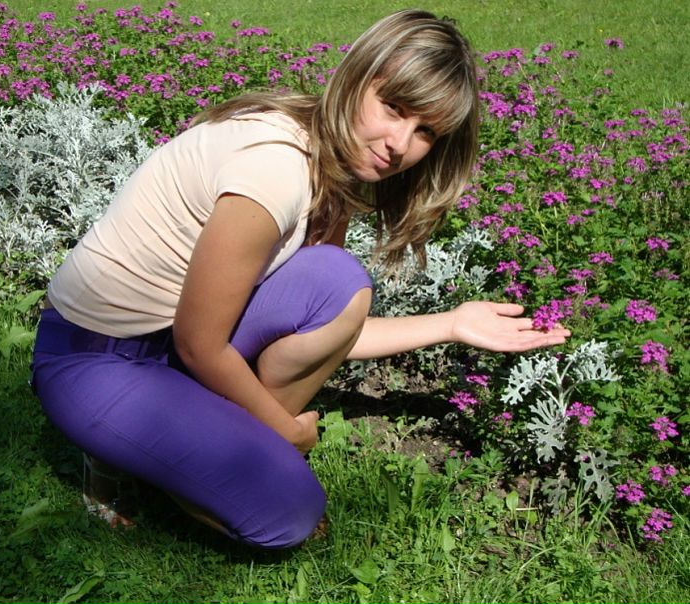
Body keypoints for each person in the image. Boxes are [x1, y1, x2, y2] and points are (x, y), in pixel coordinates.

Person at [31, 9, 570, 549]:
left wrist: (452, 324)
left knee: (335, 280)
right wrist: (284, 430)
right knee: (289, 514)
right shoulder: (276, 170)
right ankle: (132, 455)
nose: (400, 144)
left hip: (167, 345)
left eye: (425, 130)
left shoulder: (328, 162)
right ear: (357, 77)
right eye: (394, 107)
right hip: (93, 359)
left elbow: (331, 320)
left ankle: (203, 452)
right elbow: (200, 345)